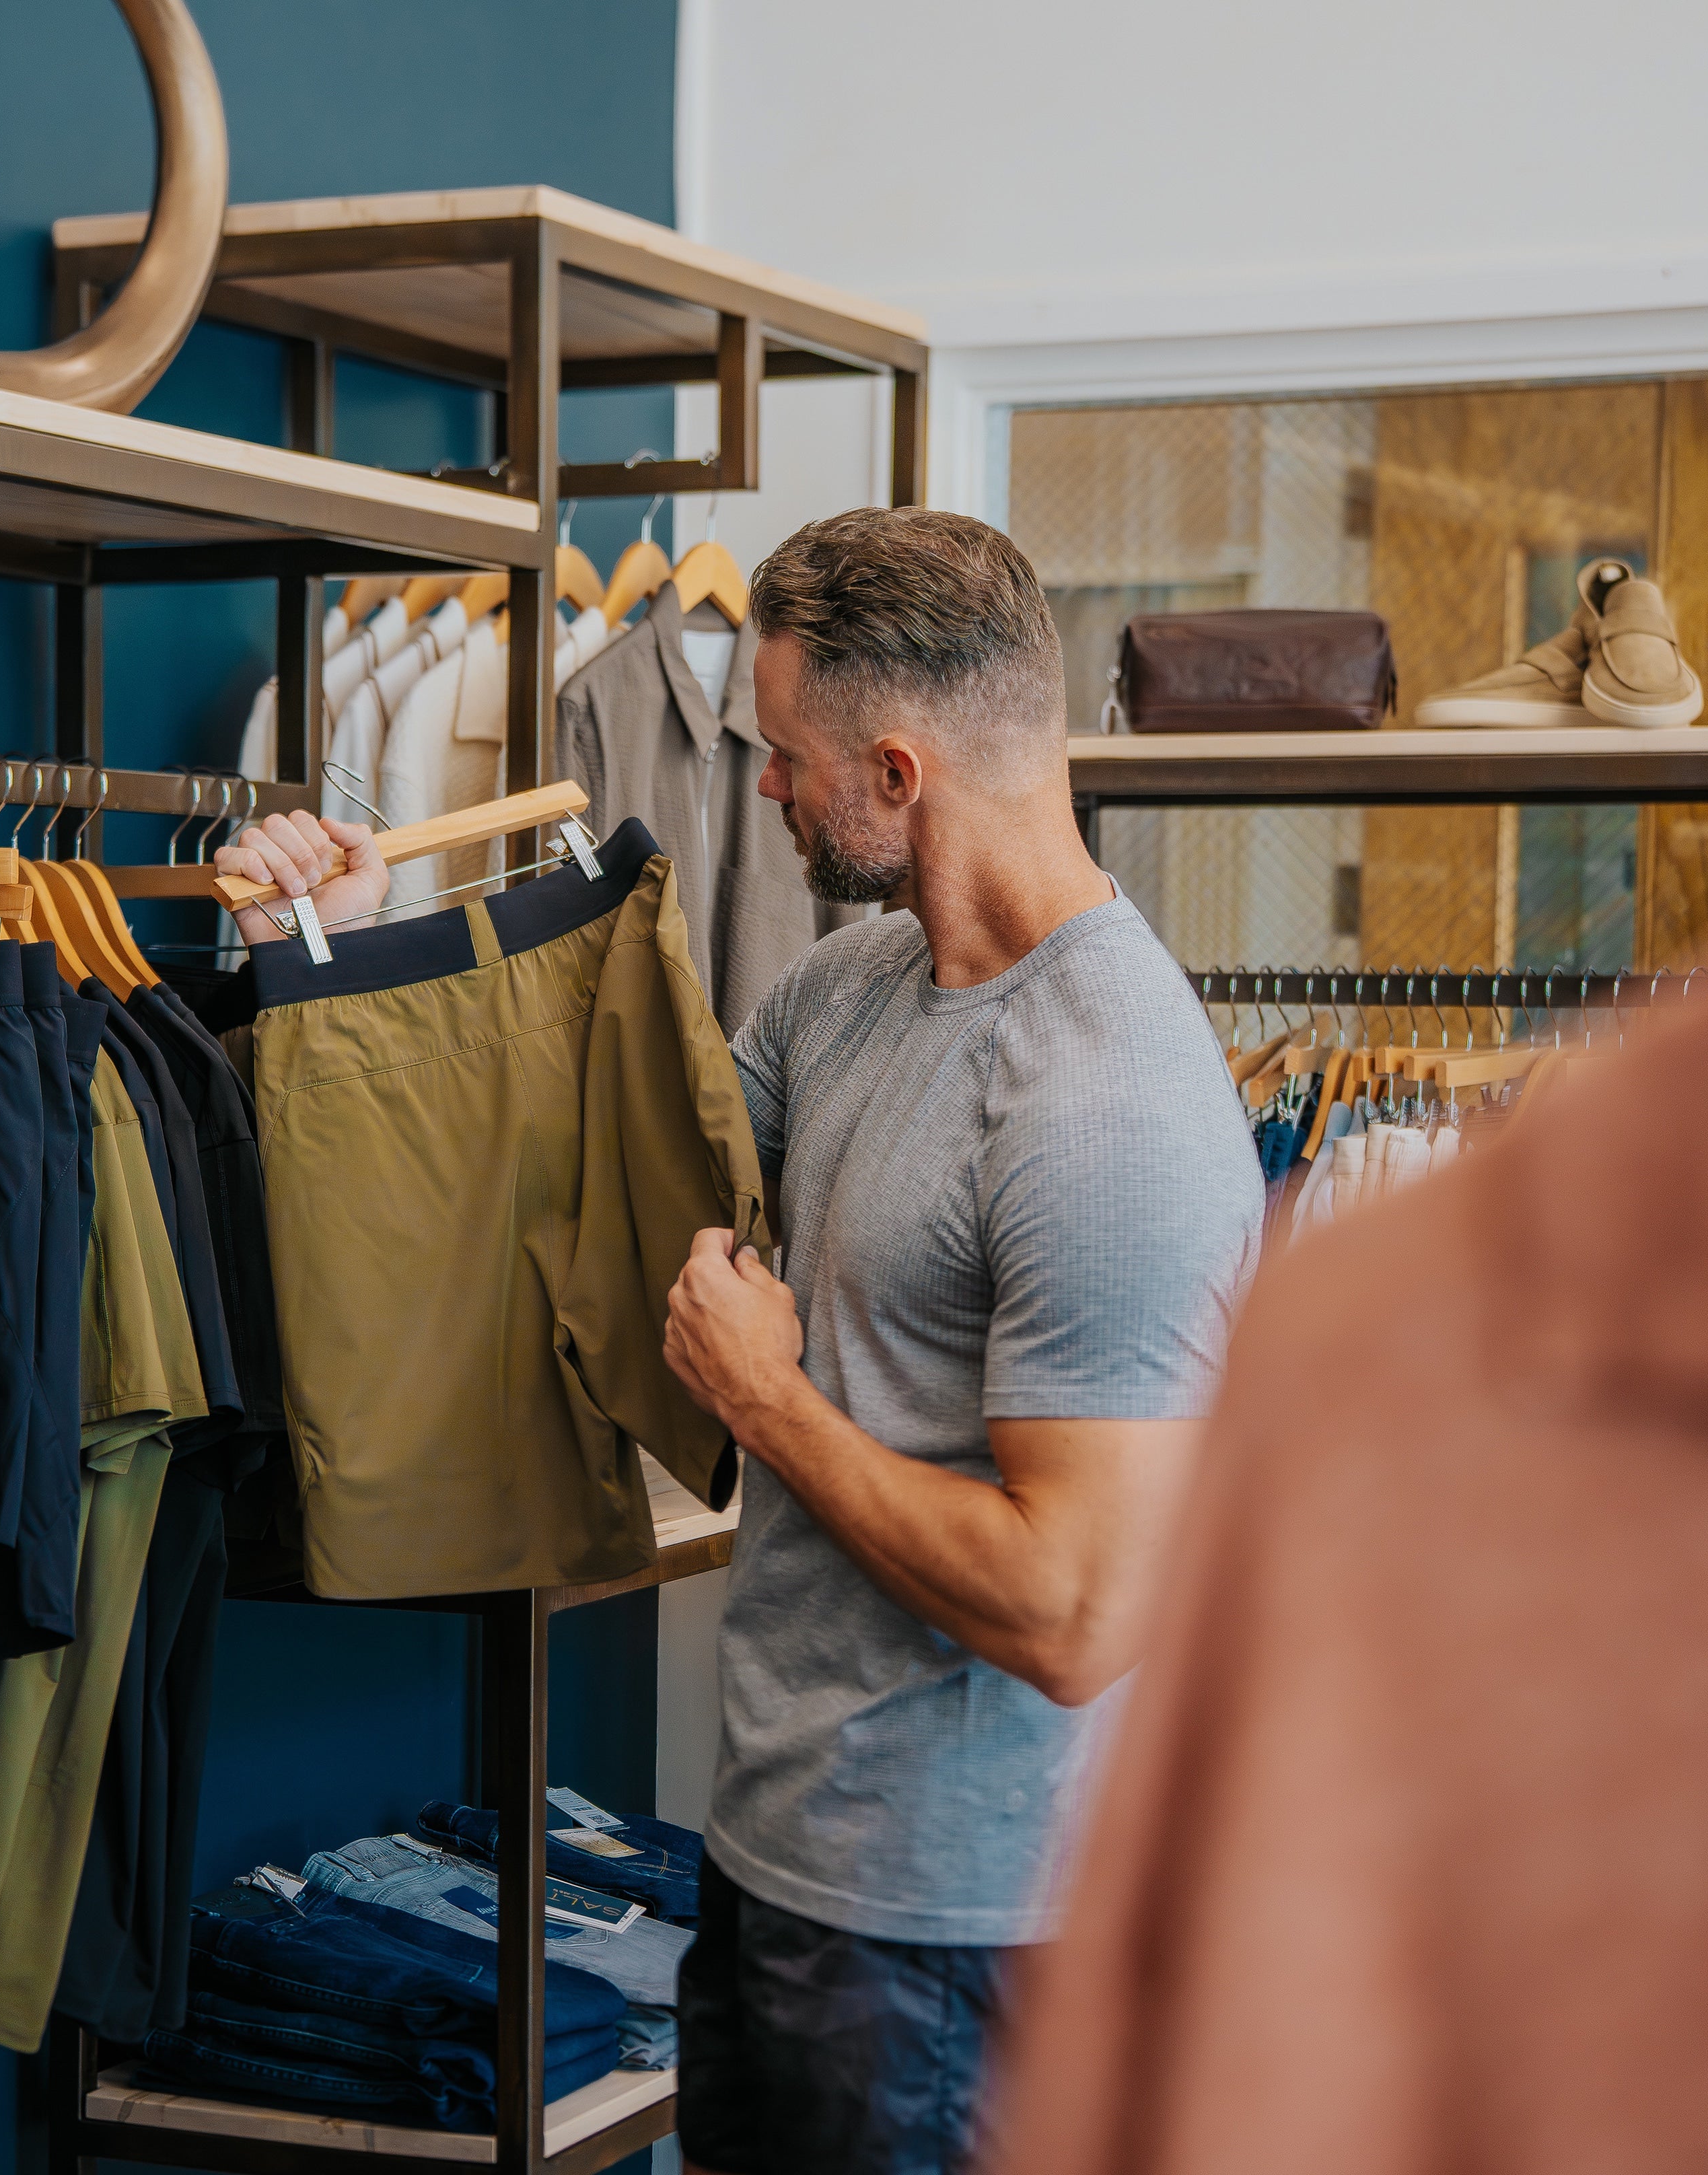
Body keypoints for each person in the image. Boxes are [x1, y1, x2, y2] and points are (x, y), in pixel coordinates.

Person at [653, 507, 1264, 2175]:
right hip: (771, 1859)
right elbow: (617, 1150)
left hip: (956, 1937)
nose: (768, 791)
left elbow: (1071, 1612)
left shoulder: (1108, 1101)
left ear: (896, 773)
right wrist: (343, 940)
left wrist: (769, 1403)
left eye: (787, 759)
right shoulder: (843, 992)